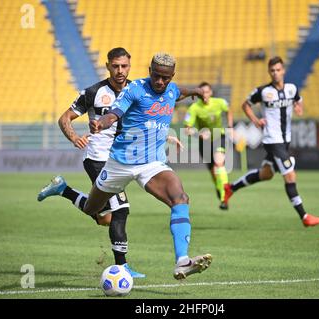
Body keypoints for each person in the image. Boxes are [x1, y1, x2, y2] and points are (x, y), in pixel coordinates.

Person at [50, 53, 212, 280]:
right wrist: (100, 123)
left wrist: (195, 91)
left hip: (152, 164)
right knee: (94, 211)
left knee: (180, 198)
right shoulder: (134, 89)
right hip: (120, 164)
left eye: (165, 78)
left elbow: (179, 92)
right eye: (156, 76)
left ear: (171, 77)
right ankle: (65, 190)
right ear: (149, 71)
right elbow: (114, 114)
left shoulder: (172, 89)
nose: (160, 82)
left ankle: (182, 261)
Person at [37, 48, 145, 278]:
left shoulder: (137, 90)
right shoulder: (94, 92)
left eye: (124, 66)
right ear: (107, 66)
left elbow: (150, 118)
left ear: (130, 65)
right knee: (121, 210)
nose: (120, 71)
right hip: (98, 159)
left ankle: (63, 189)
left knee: (104, 217)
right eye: (115, 66)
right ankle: (122, 268)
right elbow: (65, 118)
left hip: (121, 160)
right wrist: (74, 137)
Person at [223, 56, 319, 227]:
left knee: (266, 174)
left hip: (285, 140)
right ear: (269, 72)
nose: (275, 73)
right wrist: (255, 120)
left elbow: (299, 100)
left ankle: (230, 188)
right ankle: (304, 216)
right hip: (272, 140)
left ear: (283, 70)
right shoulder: (263, 91)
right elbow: (245, 105)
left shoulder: (292, 89)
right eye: (272, 71)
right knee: (290, 175)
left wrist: (299, 108)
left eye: (278, 70)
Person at [184, 82, 233, 209]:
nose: (204, 95)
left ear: (211, 92)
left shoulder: (220, 102)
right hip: (204, 142)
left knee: (219, 163)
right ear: (198, 94)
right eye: (202, 92)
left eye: (206, 92)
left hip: (218, 136)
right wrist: (198, 133)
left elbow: (229, 110)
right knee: (213, 172)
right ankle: (220, 188)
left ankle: (225, 197)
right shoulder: (194, 108)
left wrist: (230, 126)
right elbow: (187, 129)